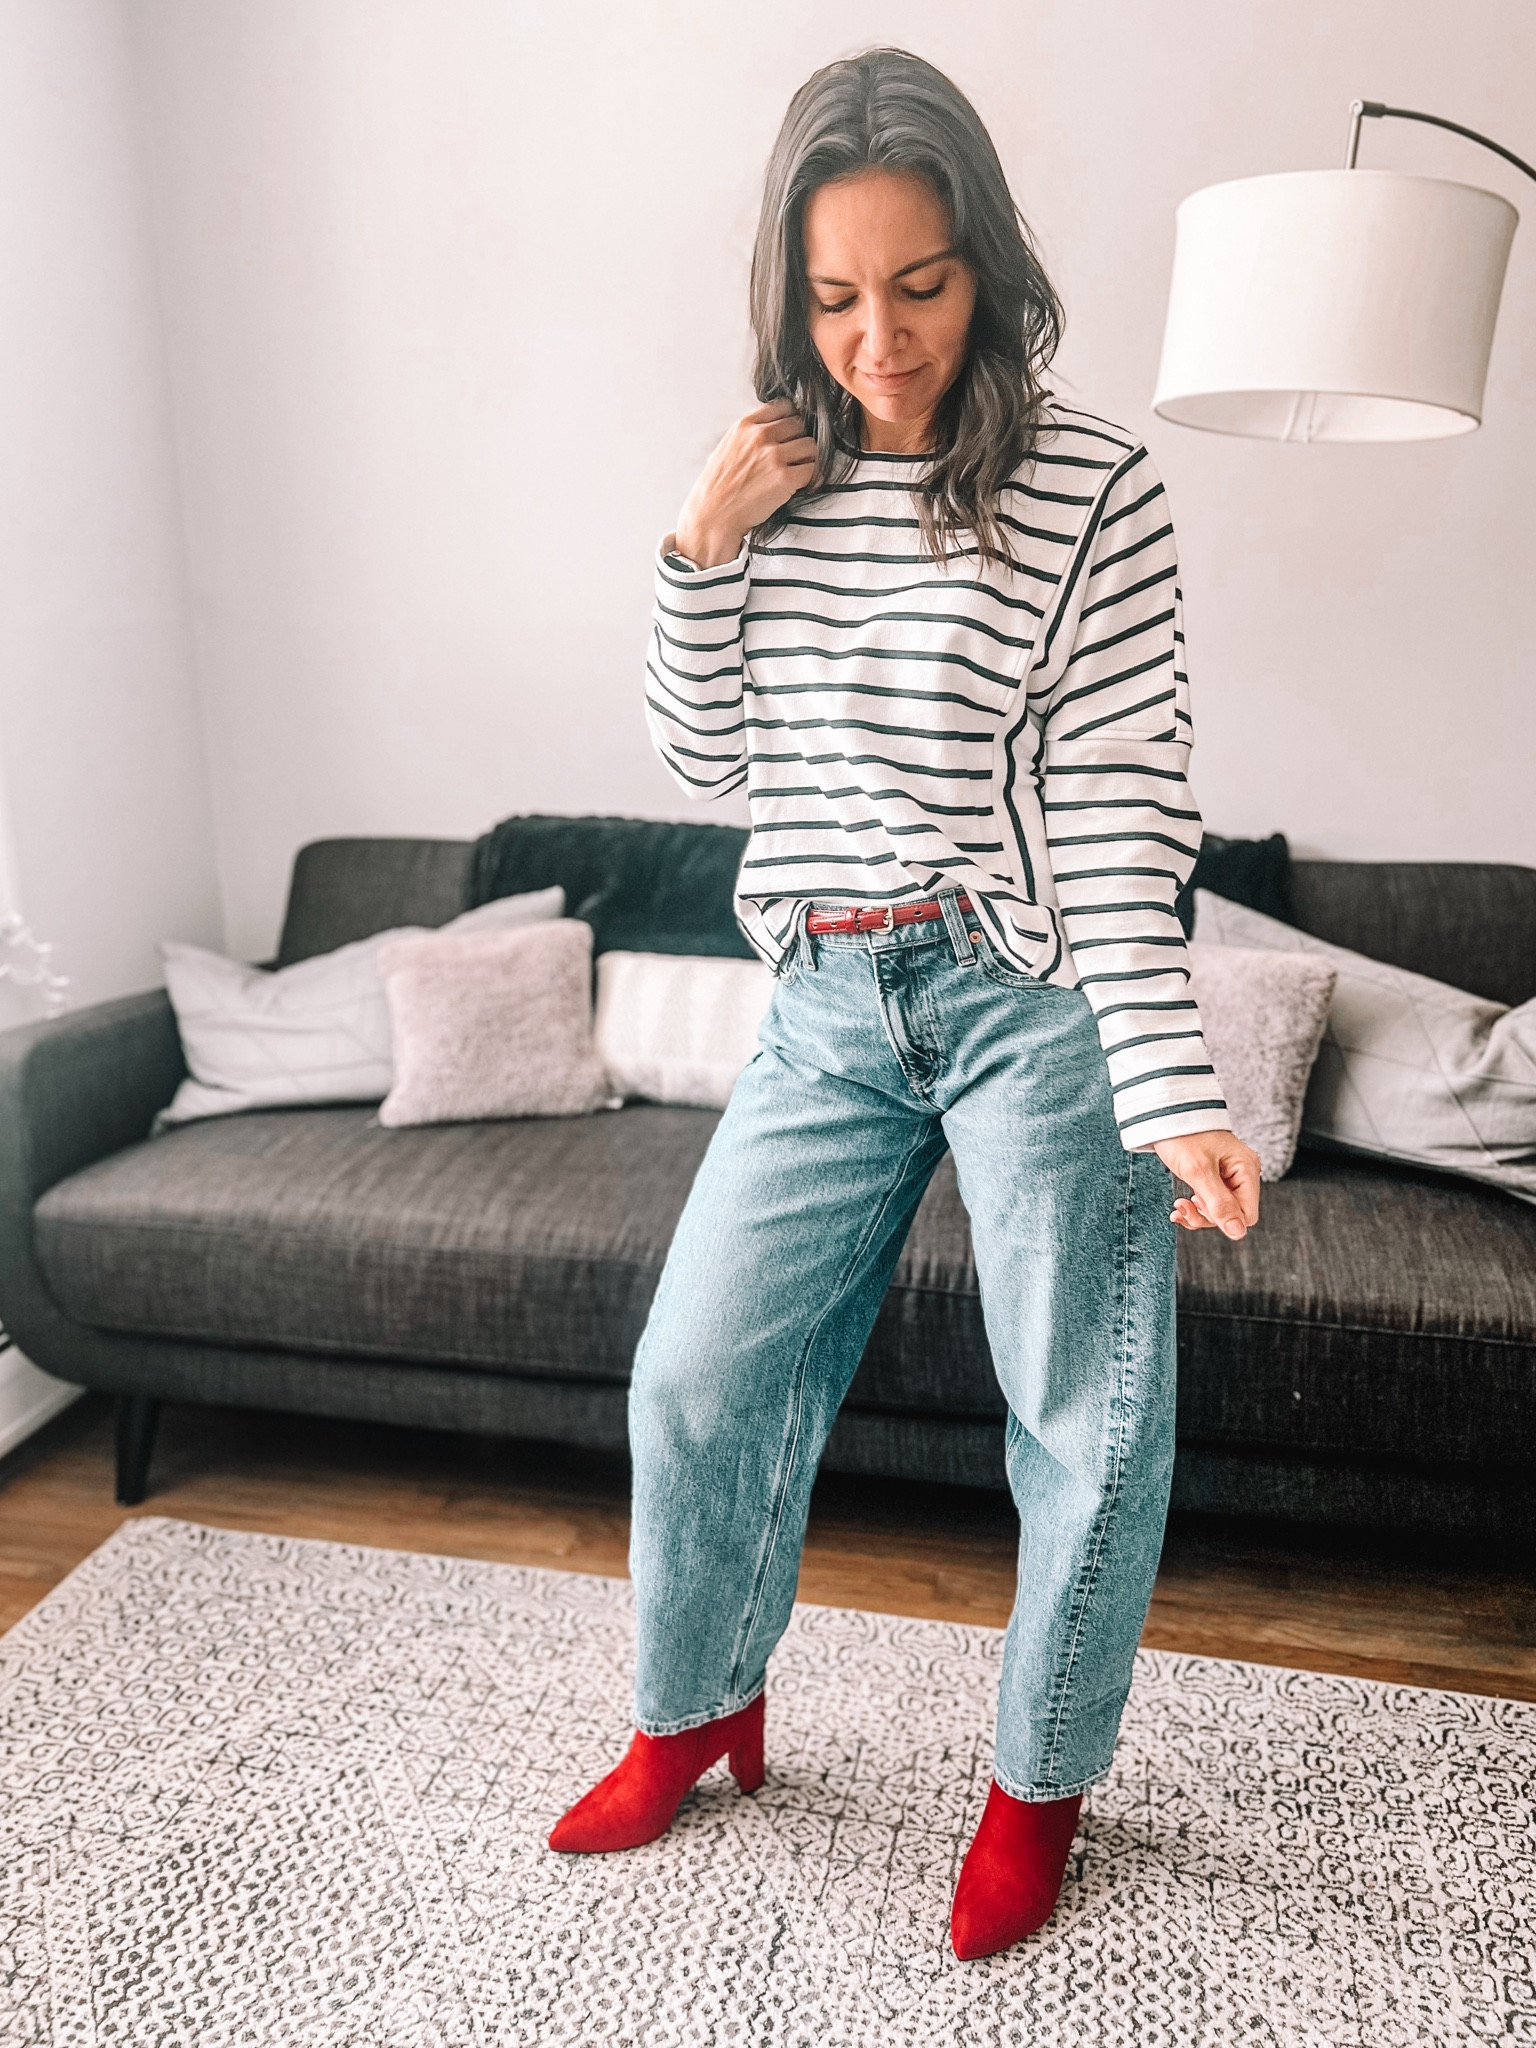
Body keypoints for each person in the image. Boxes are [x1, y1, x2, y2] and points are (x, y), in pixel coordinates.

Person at [549, 47, 1260, 1960]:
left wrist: (1163, 1079)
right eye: (838, 295)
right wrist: (697, 545)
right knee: (698, 1374)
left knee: (1088, 1420)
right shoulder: (766, 473)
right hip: (821, 997)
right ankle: (695, 1714)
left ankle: (1040, 1786)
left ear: (989, 265)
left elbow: (1124, 802)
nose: (881, 339)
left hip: (1025, 987)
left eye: (921, 287)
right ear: (789, 289)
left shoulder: (1095, 486)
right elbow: (707, 759)